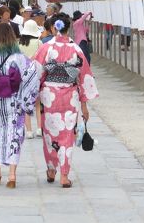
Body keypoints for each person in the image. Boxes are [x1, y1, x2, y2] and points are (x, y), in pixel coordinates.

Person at [34, 13, 99, 188]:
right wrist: (84, 105)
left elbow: (36, 73)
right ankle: (64, 174)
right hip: (70, 96)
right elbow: (84, 77)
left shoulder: (45, 48)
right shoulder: (76, 49)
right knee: (67, 135)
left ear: (54, 27)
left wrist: (34, 93)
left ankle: (51, 169)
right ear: (68, 28)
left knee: (49, 134)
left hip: (49, 97)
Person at [0, 22, 40, 188]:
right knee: (14, 135)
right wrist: (25, 100)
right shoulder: (20, 59)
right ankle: (12, 175)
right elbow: (32, 75)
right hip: (14, 102)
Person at [19, 19, 43, 139]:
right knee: (38, 103)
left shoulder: (19, 43)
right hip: (36, 74)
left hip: (23, 75)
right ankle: (39, 128)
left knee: (25, 103)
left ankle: (28, 131)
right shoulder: (39, 43)